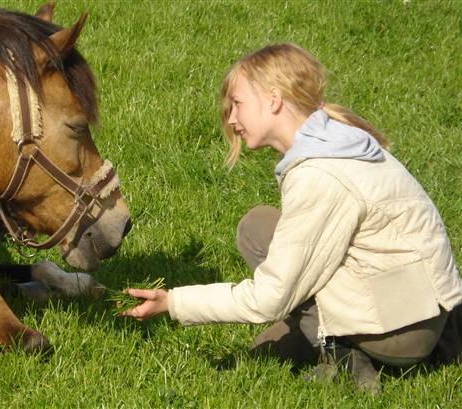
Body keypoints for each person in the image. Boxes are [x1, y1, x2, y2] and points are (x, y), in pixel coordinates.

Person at [124, 43, 462, 394]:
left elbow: (270, 297)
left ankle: (341, 350)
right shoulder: (339, 138)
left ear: (273, 99)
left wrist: (174, 302)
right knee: (258, 226)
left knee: (271, 293)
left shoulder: (320, 175)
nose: (232, 119)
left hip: (397, 335)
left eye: (238, 104)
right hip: (428, 312)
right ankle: (327, 337)